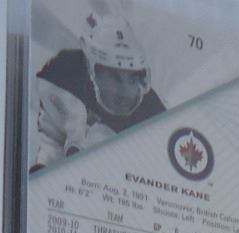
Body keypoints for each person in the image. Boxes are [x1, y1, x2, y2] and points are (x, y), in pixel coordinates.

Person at [30, 10, 166, 170]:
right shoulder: (65, 70)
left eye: (131, 78)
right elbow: (52, 133)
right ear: (90, 66)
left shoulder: (152, 110)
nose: (123, 92)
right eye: (113, 76)